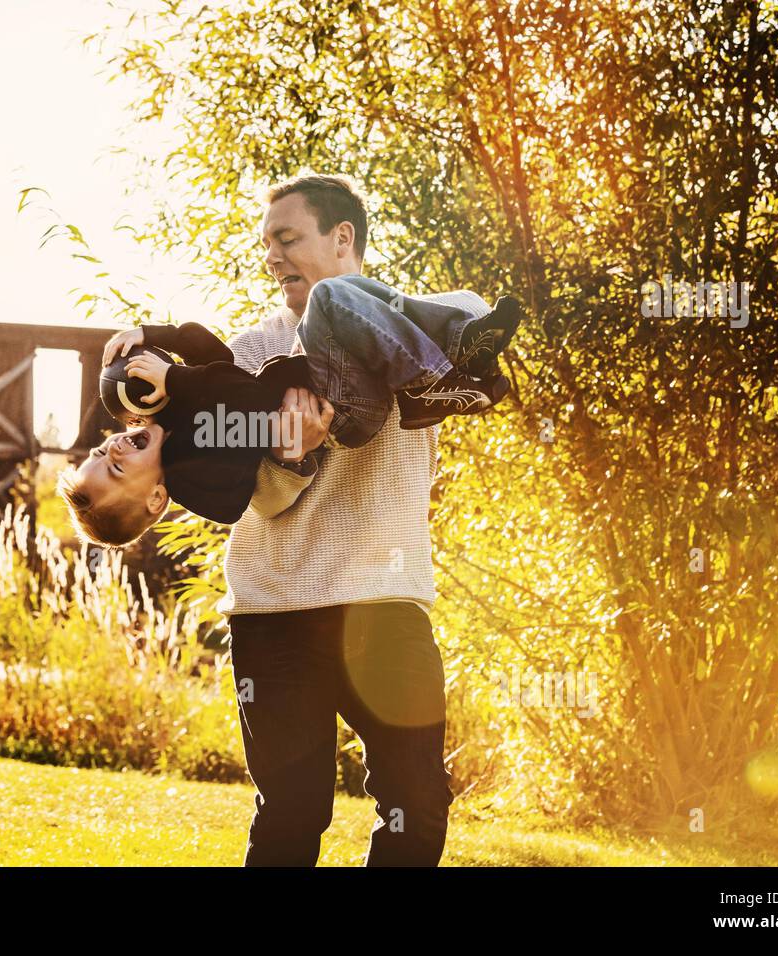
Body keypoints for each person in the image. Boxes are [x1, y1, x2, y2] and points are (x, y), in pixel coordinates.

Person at [220, 173, 477, 866]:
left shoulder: (416, 334)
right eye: (266, 244)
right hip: (277, 610)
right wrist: (288, 453)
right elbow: (261, 499)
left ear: (342, 239)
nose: (272, 257)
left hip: (387, 604)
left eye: (287, 238)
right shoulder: (250, 353)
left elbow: (475, 321)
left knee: (416, 798)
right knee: (294, 811)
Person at [57, 278, 518, 541]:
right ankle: (431, 382)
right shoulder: (196, 479)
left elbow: (213, 353)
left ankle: (460, 349)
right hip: (342, 409)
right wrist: (177, 381)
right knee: (328, 297)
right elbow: (250, 397)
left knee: (350, 290)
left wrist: (154, 335)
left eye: (102, 454)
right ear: (155, 500)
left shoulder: (175, 421)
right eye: (119, 469)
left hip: (335, 379)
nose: (115, 447)